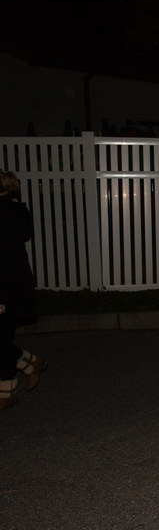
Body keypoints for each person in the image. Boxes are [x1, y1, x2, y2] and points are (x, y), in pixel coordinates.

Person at [1, 171, 47, 411]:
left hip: (7, 287)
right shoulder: (14, 211)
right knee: (2, 340)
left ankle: (8, 391)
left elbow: (4, 259)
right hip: (13, 284)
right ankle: (29, 364)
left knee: (1, 341)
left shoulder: (5, 214)